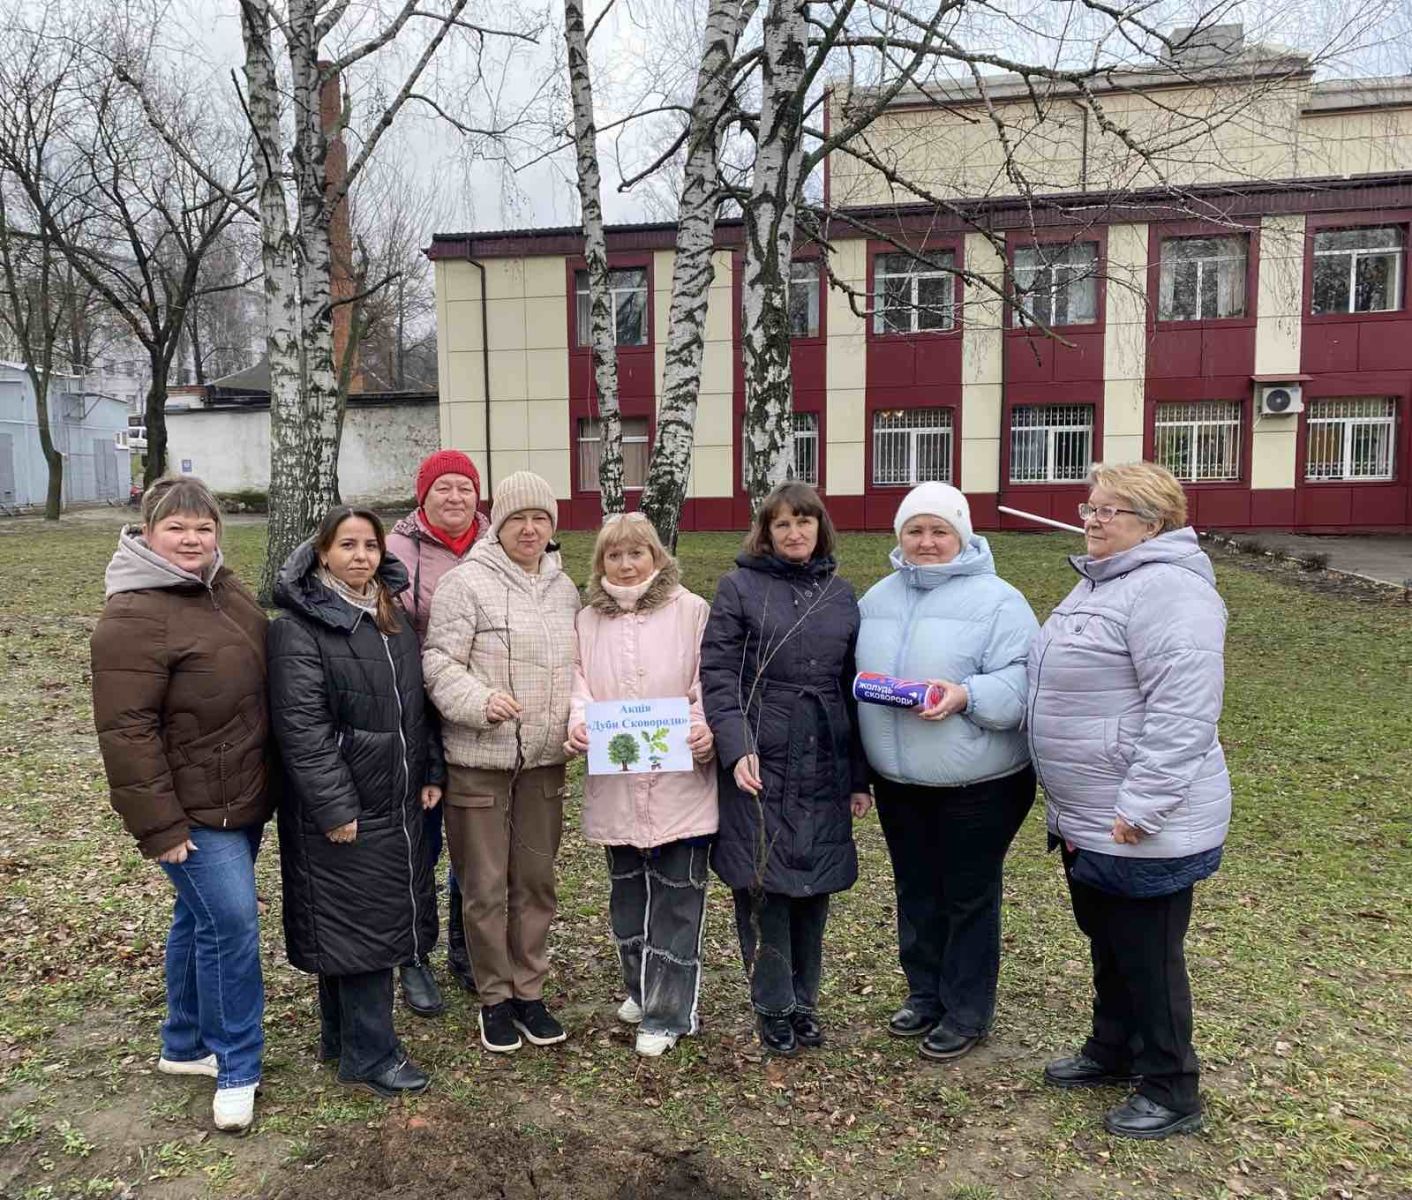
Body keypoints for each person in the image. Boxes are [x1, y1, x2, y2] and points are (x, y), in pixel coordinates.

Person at [1027, 462, 1231, 1140]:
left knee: (1149, 955)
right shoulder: (1102, 582)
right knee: (1109, 942)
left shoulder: (1171, 591)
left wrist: (1143, 805)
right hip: (1088, 812)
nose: (1091, 519)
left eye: (1108, 510)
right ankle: (1113, 1048)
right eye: (1089, 507)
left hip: (1141, 818)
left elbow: (1183, 712)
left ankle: (1172, 1087)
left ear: (1154, 523)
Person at [91, 476, 272, 1133]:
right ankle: (237, 1067)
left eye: (204, 527)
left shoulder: (225, 589)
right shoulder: (131, 615)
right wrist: (161, 826)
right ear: (147, 533)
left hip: (239, 795)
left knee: (199, 919)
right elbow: (126, 733)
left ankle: (185, 1042)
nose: (193, 539)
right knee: (232, 925)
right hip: (192, 811)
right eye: (177, 528)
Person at [855, 482, 1039, 1062]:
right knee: (915, 890)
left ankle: (966, 1011)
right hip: (899, 782)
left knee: (967, 897)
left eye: (940, 531)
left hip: (978, 785)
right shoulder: (876, 599)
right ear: (900, 536)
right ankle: (925, 994)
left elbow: (1025, 684)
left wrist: (965, 695)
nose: (927, 542)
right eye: (915, 530)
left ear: (963, 535)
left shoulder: (1000, 601)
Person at [268, 506, 443, 1099]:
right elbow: (302, 729)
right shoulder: (298, 628)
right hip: (346, 806)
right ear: (322, 553)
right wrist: (335, 807)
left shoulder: (389, 616)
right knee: (360, 927)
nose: (361, 556)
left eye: (370, 545)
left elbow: (416, 706)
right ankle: (373, 1055)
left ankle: (342, 1040)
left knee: (358, 924)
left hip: (393, 798)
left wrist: (430, 769)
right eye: (347, 545)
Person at [700, 482, 872, 1057]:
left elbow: (852, 688)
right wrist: (737, 746)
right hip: (762, 758)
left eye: (804, 521)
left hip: (823, 753)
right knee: (764, 883)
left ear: (820, 527)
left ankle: (805, 1002)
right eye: (782, 524)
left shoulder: (841, 594)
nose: (795, 533)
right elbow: (718, 674)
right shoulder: (738, 587)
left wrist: (858, 776)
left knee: (814, 885)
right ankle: (772, 1005)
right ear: (766, 533)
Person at [422, 471, 580, 1054]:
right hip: (479, 761)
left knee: (535, 883)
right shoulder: (465, 584)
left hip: (544, 763)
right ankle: (493, 996)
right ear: (499, 525)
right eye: (518, 519)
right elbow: (438, 662)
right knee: (485, 887)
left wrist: (581, 722)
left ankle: (529, 990)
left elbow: (579, 670)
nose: (530, 529)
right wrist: (479, 702)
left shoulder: (565, 590)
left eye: (540, 519)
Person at [565, 514, 717, 1057]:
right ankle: (640, 986)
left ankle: (669, 1013)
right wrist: (578, 723)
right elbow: (577, 684)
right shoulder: (587, 621)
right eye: (614, 555)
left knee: (677, 900)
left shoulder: (691, 611)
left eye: (637, 553)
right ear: (600, 562)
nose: (626, 565)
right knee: (627, 899)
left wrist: (702, 729)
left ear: (657, 556)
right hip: (618, 788)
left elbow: (708, 681)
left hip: (681, 784)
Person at [386, 450, 490, 1013]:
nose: (455, 498)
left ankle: (468, 947)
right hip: (417, 711)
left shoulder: (497, 544)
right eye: (443, 488)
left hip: (482, 713)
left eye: (464, 487)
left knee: (475, 843)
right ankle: (414, 954)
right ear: (423, 496)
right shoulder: (397, 550)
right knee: (420, 843)